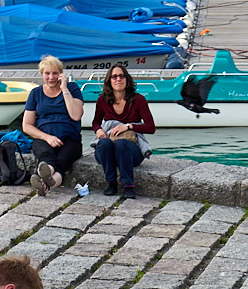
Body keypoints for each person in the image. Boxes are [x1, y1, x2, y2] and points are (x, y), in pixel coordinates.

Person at [22, 55, 84, 195]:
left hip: (70, 139)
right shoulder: (36, 93)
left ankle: (44, 185)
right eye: (47, 73)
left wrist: (64, 89)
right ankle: (45, 179)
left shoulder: (72, 89)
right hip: (44, 137)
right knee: (46, 156)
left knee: (62, 162)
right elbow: (27, 125)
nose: (51, 77)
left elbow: (76, 115)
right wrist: (47, 137)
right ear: (42, 74)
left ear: (61, 74)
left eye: (55, 73)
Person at [92, 64, 155, 200]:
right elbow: (95, 122)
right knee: (104, 143)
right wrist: (98, 130)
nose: (118, 79)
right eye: (114, 76)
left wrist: (128, 126)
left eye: (122, 76)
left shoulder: (138, 100)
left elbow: (151, 127)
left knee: (121, 144)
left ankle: (128, 185)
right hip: (107, 150)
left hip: (130, 150)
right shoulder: (102, 100)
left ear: (127, 79)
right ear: (109, 80)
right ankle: (111, 182)